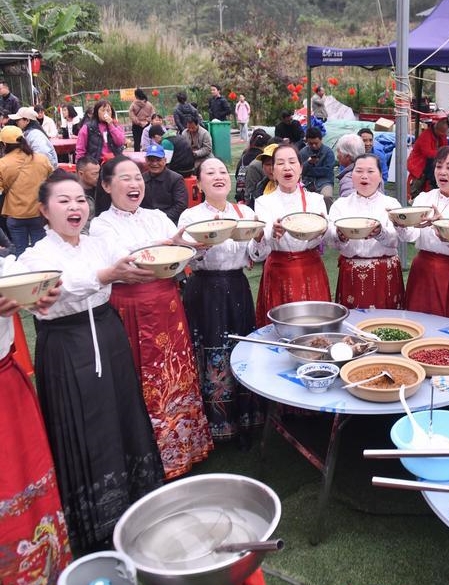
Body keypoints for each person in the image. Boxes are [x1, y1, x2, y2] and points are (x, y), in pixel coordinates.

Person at [15, 171, 165, 552]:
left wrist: (169, 246)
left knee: (122, 413)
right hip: (67, 345)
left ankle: (135, 500)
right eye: (63, 201)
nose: (75, 207)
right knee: (83, 421)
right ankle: (96, 521)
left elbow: (131, 260)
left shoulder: (98, 243)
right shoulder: (35, 256)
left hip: (108, 333)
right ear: (43, 211)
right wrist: (106, 275)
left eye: (80, 199)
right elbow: (57, 285)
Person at [90, 156, 213, 480]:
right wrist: (165, 244)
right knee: (142, 376)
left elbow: (179, 249)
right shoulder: (103, 224)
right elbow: (123, 259)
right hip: (130, 306)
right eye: (125, 178)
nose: (135, 184)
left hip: (168, 303)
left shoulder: (157, 216)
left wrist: (193, 245)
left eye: (138, 178)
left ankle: (186, 443)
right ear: (106, 185)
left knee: (177, 370)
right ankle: (150, 453)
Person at [178, 158, 266, 444]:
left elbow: (256, 254)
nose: (218, 177)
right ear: (200, 183)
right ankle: (216, 422)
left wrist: (261, 237)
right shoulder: (190, 217)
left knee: (241, 348)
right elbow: (184, 260)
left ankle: (246, 417)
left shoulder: (245, 211)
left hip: (237, 286)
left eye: (221, 172)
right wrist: (200, 248)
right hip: (204, 288)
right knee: (211, 348)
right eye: (209, 173)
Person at [0, 257, 72, 580]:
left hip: (5, 383)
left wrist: (37, 294)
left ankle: (39, 565)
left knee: (24, 478)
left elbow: (20, 281)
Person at [395, 146, 449, 319]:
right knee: (417, 322)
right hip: (423, 269)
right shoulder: (424, 198)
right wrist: (401, 224)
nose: (442, 172)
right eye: (439, 166)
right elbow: (411, 235)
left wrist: (442, 228)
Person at [253, 144, 329, 325]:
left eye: (292, 162)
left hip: (311, 268)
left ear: (300, 168)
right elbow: (260, 245)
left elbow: (328, 236)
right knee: (280, 328)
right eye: (280, 163)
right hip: (278, 270)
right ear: (273, 171)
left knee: (315, 324)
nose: (287, 167)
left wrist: (324, 229)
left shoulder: (315, 200)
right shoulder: (263, 202)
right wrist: (270, 233)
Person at [328, 153, 404, 309]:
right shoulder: (340, 205)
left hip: (385, 274)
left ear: (380, 175)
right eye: (359, 171)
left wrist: (380, 233)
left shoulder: (391, 204)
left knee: (387, 323)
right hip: (352, 273)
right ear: (351, 175)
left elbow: (397, 238)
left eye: (370, 171)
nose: (364, 176)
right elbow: (331, 240)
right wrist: (340, 236)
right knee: (353, 325)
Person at [0, 125, 53, 256]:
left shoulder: (3, 163)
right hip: (39, 212)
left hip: (16, 214)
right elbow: (51, 179)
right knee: (41, 252)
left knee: (21, 252)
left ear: (4, 144)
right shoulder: (42, 159)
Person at [141, 143, 187, 223]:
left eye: (158, 160)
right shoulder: (141, 179)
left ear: (165, 160)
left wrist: (160, 220)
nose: (154, 164)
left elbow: (181, 205)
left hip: (170, 221)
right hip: (146, 221)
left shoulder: (176, 179)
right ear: (146, 160)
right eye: (151, 160)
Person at [408, 116, 449, 199]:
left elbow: (445, 149)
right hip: (420, 168)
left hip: (432, 167)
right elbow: (428, 153)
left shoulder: (442, 136)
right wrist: (443, 153)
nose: (444, 134)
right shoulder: (425, 136)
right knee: (415, 194)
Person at [299, 127, 335, 205]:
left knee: (327, 196)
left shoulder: (328, 152)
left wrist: (309, 171)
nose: (314, 146)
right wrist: (308, 163)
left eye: (316, 143)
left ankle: (329, 216)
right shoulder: (303, 152)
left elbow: (327, 171)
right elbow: (299, 170)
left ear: (321, 140)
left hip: (325, 182)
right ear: (307, 142)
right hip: (307, 183)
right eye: (311, 144)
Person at [335, 133, 366, 200]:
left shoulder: (349, 179)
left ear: (347, 156)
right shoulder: (373, 171)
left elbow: (348, 204)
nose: (337, 156)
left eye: (339, 152)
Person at [75, 155, 102, 223]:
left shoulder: (103, 190)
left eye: (99, 173)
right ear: (81, 174)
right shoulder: (72, 195)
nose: (98, 177)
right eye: (94, 174)